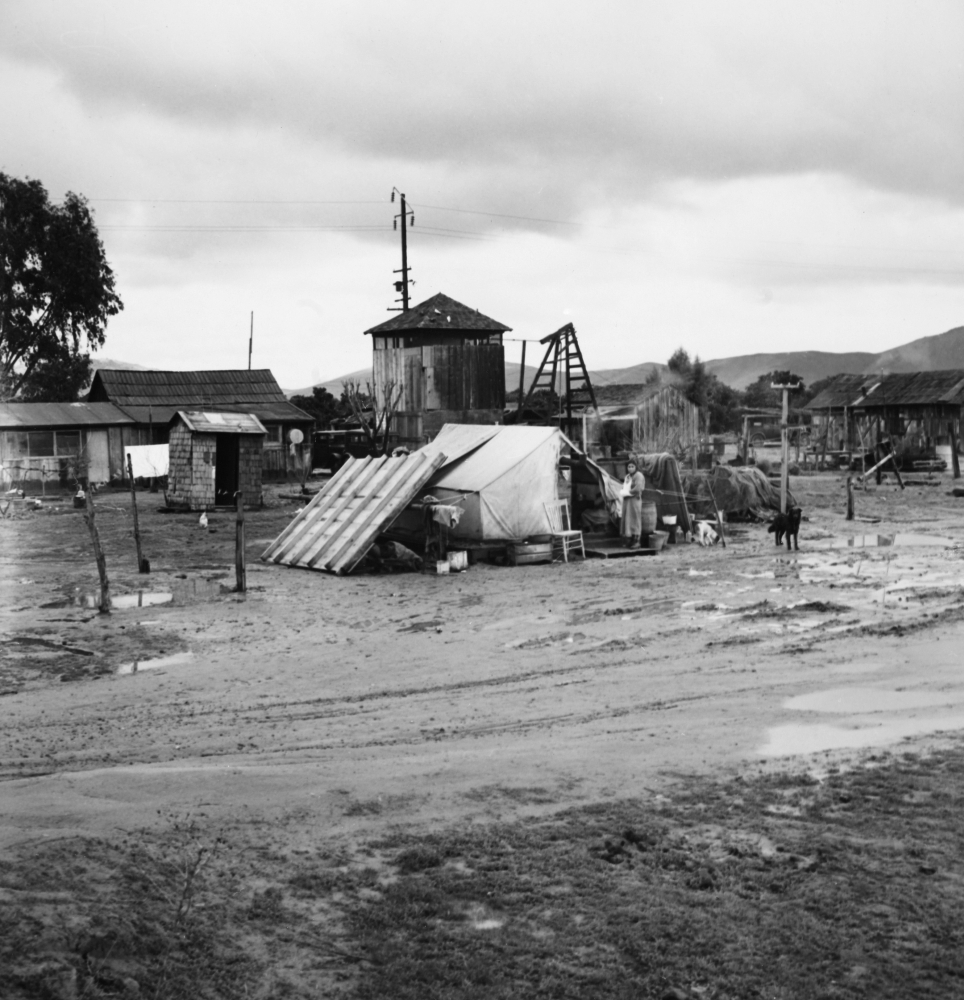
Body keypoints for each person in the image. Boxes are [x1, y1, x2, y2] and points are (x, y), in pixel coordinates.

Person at [620, 459, 646, 548]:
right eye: (629, 467)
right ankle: (629, 540)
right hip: (627, 501)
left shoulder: (639, 476)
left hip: (635, 500)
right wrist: (622, 490)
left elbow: (638, 488)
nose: (630, 468)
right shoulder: (627, 477)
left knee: (635, 519)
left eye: (632, 467)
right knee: (627, 520)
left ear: (636, 467)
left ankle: (636, 541)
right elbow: (624, 486)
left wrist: (627, 493)